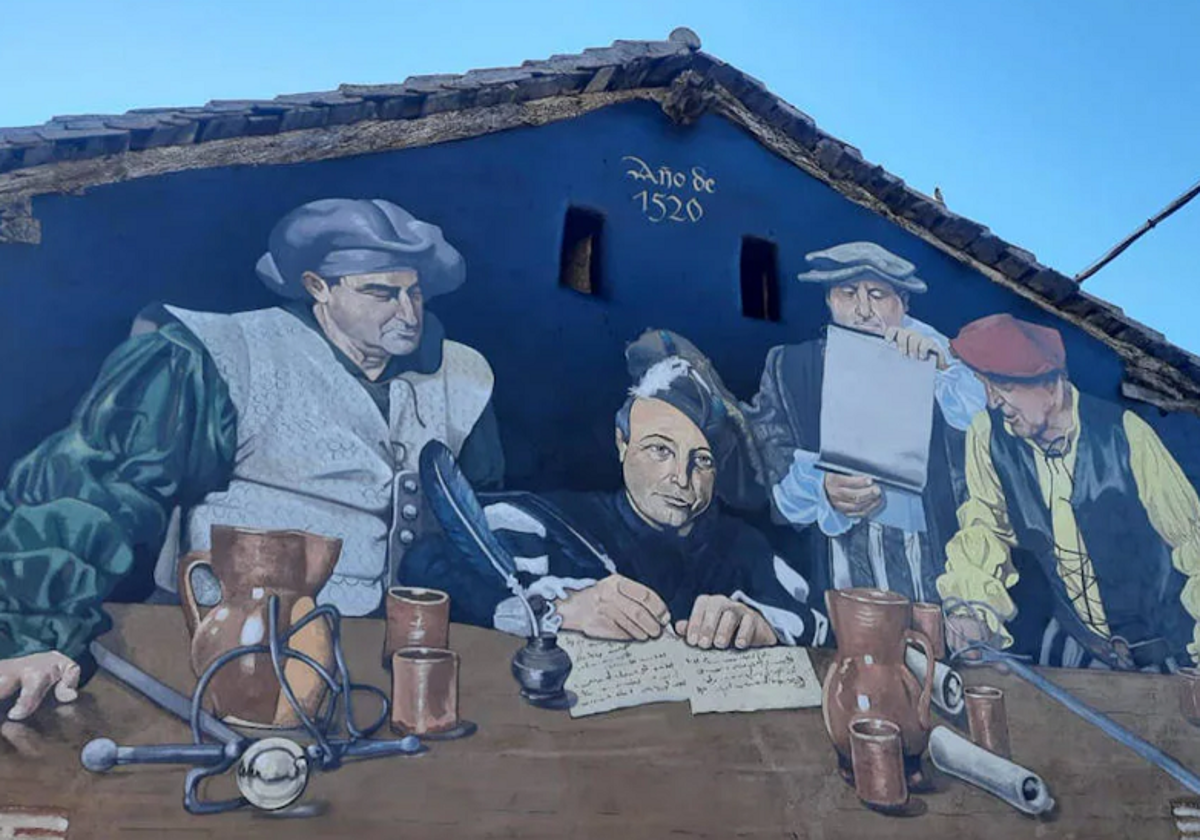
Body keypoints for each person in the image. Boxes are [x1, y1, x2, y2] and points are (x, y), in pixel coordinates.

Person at [0, 198, 504, 720]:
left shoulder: (463, 376)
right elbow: (89, 489)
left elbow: (484, 521)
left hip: (387, 670)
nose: (408, 313)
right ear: (318, 288)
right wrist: (28, 634)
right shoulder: (217, 356)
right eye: (381, 292)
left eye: (414, 292)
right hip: (220, 656)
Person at [403, 330, 828, 649]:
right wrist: (558, 610)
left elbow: (814, 623)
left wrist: (758, 625)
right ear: (622, 444)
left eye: (701, 461)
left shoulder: (743, 548)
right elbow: (425, 564)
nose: (681, 478)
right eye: (660, 450)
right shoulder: (548, 525)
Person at [937, 313, 1200, 671]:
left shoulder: (1126, 435)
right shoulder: (988, 435)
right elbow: (984, 527)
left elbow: (1193, 543)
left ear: (1053, 385)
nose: (994, 402)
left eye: (1004, 386)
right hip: (1071, 652)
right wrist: (970, 607)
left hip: (1159, 658)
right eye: (986, 386)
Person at [746, 241, 986, 604]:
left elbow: (987, 447)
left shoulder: (940, 364)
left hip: (930, 557)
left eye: (877, 294)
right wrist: (823, 489)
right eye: (847, 293)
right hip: (840, 557)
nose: (862, 310)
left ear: (903, 303)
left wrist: (942, 371)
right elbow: (771, 467)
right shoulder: (790, 367)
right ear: (829, 300)